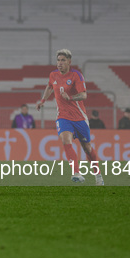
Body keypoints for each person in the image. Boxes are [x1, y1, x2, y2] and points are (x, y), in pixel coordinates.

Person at [36, 48, 104, 185]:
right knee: (66, 141)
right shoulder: (53, 75)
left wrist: (70, 98)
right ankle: (76, 172)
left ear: (69, 62)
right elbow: (50, 86)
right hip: (63, 116)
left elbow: (84, 95)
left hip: (79, 117)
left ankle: (98, 175)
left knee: (87, 148)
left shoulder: (76, 76)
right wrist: (43, 100)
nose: (59, 63)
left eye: (63, 60)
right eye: (58, 60)